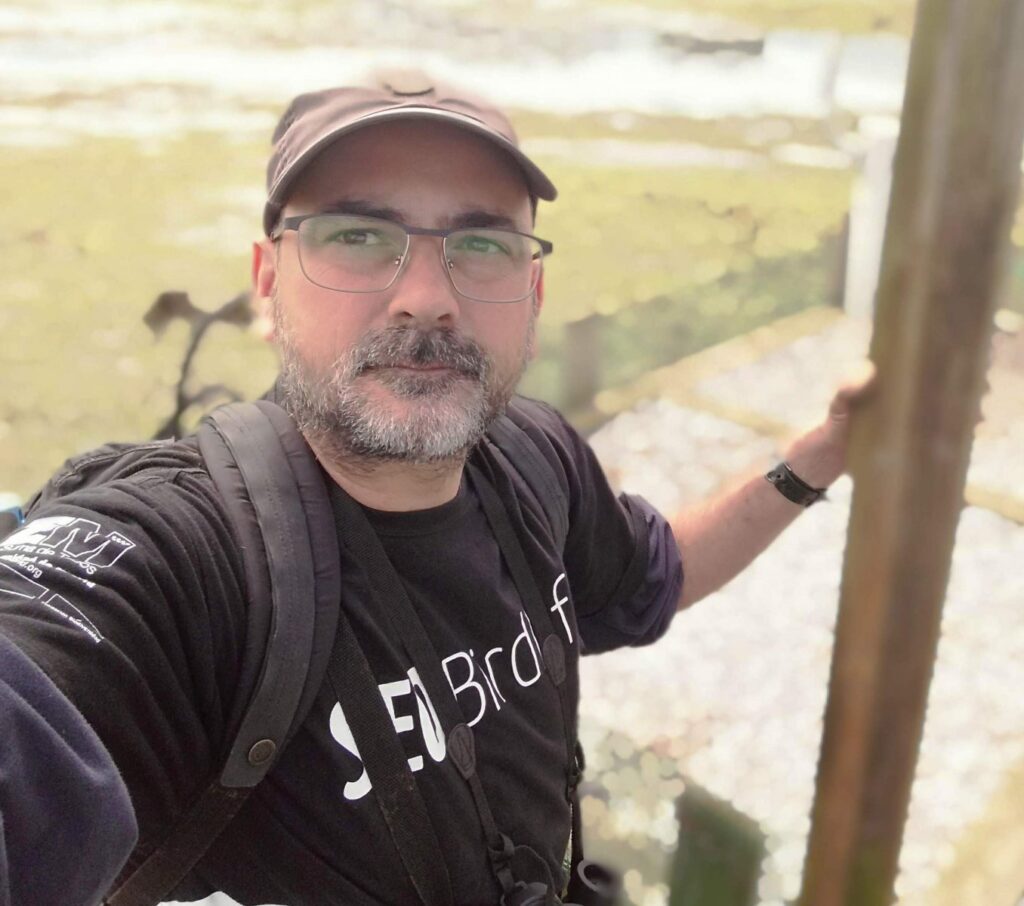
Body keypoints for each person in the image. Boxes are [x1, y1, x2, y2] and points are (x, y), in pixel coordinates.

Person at [0, 73, 871, 906]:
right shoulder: (185, 555)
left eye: (482, 244)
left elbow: (652, 577)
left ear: (533, 291)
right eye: (357, 235)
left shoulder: (535, 459)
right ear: (267, 284)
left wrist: (820, 456)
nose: (425, 298)